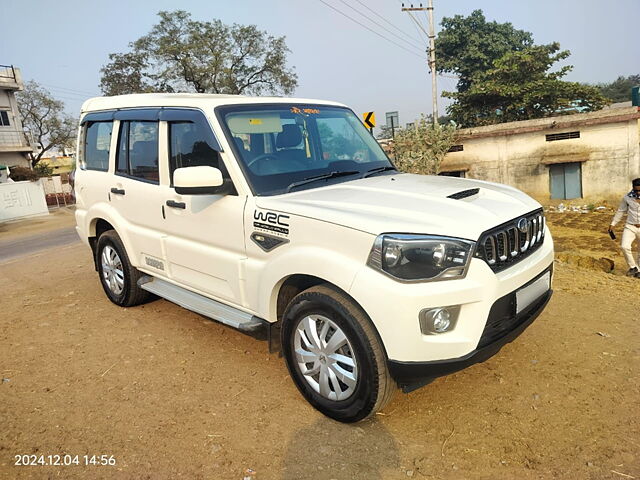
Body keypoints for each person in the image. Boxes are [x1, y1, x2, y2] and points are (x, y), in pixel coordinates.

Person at [608, 178, 640, 277]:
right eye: (636, 190)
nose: (638, 192)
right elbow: (621, 211)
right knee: (624, 246)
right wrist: (613, 224)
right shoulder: (627, 198)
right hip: (630, 226)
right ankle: (633, 267)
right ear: (633, 188)